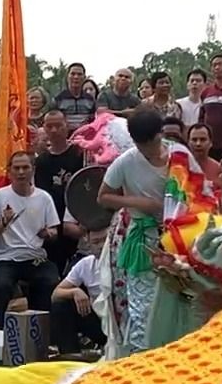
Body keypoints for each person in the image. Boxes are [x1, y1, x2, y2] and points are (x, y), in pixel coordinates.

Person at [99, 107, 172, 358]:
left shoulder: (179, 156)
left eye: (149, 144)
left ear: (159, 136)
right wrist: (140, 203)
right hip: (143, 237)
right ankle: (141, 358)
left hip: (178, 239)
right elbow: (104, 197)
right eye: (139, 145)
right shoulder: (127, 161)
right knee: (142, 306)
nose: (145, 151)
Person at [0, 151, 61, 326]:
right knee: (2, 286)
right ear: (9, 171)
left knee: (51, 281)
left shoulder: (44, 197)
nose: (21, 172)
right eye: (16, 168)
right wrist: (4, 222)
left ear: (32, 170)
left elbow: (54, 231)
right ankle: (3, 331)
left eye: (25, 167)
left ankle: (41, 332)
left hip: (36, 257)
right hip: (6, 257)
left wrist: (48, 233)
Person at [50, 245, 104, 358]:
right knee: (61, 305)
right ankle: (70, 355)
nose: (101, 246)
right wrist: (74, 291)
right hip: (99, 322)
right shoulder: (85, 264)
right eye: (96, 242)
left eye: (105, 241)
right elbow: (55, 294)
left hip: (121, 321)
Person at [54, 63, 96, 130]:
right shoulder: (58, 99)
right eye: (73, 74)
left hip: (86, 135)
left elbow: (94, 120)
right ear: (67, 77)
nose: (76, 77)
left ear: (84, 77)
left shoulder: (90, 99)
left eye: (79, 74)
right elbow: (54, 121)